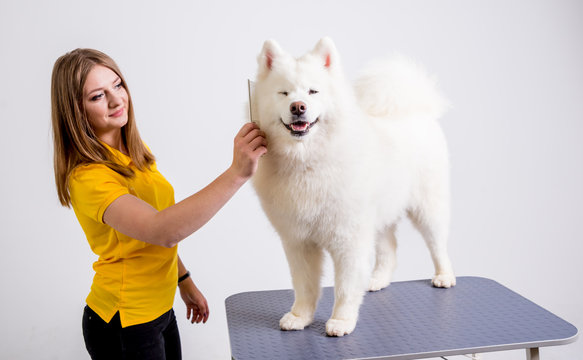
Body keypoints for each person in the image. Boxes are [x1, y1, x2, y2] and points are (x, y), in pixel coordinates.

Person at [51, 48, 267, 360]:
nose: (116, 101)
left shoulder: (133, 152)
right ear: (75, 111)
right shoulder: (88, 177)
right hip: (125, 322)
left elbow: (154, 226)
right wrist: (236, 173)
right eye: (98, 96)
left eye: (118, 85)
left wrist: (183, 279)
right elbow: (161, 230)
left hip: (160, 310)